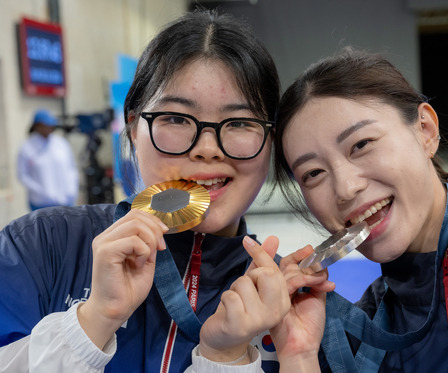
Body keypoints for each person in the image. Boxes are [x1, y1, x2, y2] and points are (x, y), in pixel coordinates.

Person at [0, 8, 302, 372]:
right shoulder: (39, 245)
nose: (207, 148)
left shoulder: (292, 303)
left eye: (239, 122)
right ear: (132, 129)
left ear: (271, 140)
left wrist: (228, 359)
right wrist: (92, 322)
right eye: (175, 118)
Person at [268, 48, 448, 372]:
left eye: (361, 144)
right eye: (313, 174)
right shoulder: (354, 342)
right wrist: (298, 357)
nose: (345, 188)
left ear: (425, 130)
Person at [17, 108, 79, 211]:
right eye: (45, 125)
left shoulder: (61, 143)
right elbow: (22, 175)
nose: (49, 128)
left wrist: (72, 190)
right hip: (41, 203)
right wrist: (41, 191)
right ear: (37, 126)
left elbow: (71, 169)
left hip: (66, 201)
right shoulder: (26, 148)